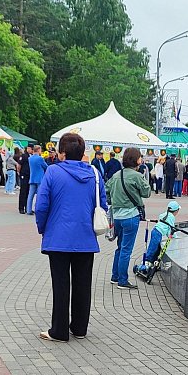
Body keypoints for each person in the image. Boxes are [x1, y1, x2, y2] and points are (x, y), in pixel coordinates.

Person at [34, 132, 108, 342]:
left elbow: (41, 206)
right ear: (82, 153)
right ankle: (79, 328)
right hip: (85, 237)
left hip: (58, 237)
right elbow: (102, 204)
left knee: (61, 284)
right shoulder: (94, 174)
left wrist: (42, 228)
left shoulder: (52, 172)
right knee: (83, 283)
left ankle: (59, 330)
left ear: (62, 153)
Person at [106, 147, 150, 289]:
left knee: (120, 248)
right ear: (137, 160)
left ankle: (115, 276)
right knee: (126, 249)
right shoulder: (137, 176)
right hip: (131, 216)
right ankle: (122, 281)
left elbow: (106, 191)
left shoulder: (117, 175)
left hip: (117, 216)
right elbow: (147, 192)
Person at [137, 201, 180, 273]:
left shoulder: (164, 214)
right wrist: (174, 237)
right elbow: (171, 228)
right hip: (159, 233)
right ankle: (146, 262)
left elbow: (163, 223)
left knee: (156, 248)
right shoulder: (172, 217)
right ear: (176, 211)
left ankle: (152, 262)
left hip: (155, 230)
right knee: (153, 248)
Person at [27, 145, 48, 215]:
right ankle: (37, 209)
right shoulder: (40, 158)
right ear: (38, 150)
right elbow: (46, 167)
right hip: (39, 179)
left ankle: (28, 210)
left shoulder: (30, 158)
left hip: (32, 178)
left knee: (30, 195)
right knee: (39, 195)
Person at [18, 145, 31, 214]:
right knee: (23, 191)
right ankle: (21, 208)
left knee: (28, 192)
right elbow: (19, 165)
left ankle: (27, 207)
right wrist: (19, 172)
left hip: (29, 176)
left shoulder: (30, 156)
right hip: (24, 175)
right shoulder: (23, 156)